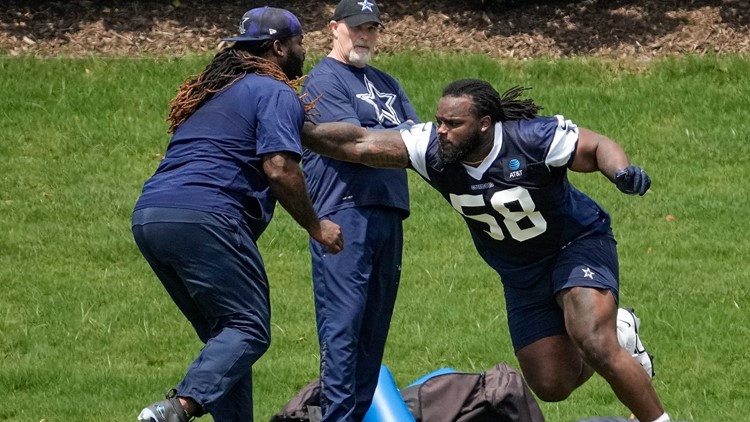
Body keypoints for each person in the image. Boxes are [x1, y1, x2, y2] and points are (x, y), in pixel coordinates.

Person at [302, 79, 671, 422]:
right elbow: (359, 144)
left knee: (592, 338)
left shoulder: (531, 139)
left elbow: (595, 147)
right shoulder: (430, 148)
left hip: (573, 244)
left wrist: (620, 172)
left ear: (484, 124)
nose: (442, 131)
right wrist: (297, 127)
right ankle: (622, 330)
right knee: (551, 383)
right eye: (439, 121)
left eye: (454, 123)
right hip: (519, 272)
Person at [132, 7, 343, 422]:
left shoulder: (214, 93)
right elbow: (280, 169)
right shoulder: (275, 91)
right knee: (249, 327)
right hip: (207, 216)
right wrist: (317, 227)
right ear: (279, 48)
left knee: (226, 337)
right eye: (300, 43)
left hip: (151, 216)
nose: (304, 51)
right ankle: (176, 409)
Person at [300, 0, 420, 420]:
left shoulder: (388, 82)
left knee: (373, 330)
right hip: (343, 213)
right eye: (357, 28)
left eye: (372, 28)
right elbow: (355, 146)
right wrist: (394, 138)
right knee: (343, 325)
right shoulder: (322, 81)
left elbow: (419, 146)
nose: (365, 35)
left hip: (389, 211)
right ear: (334, 28)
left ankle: (357, 414)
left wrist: (391, 140)